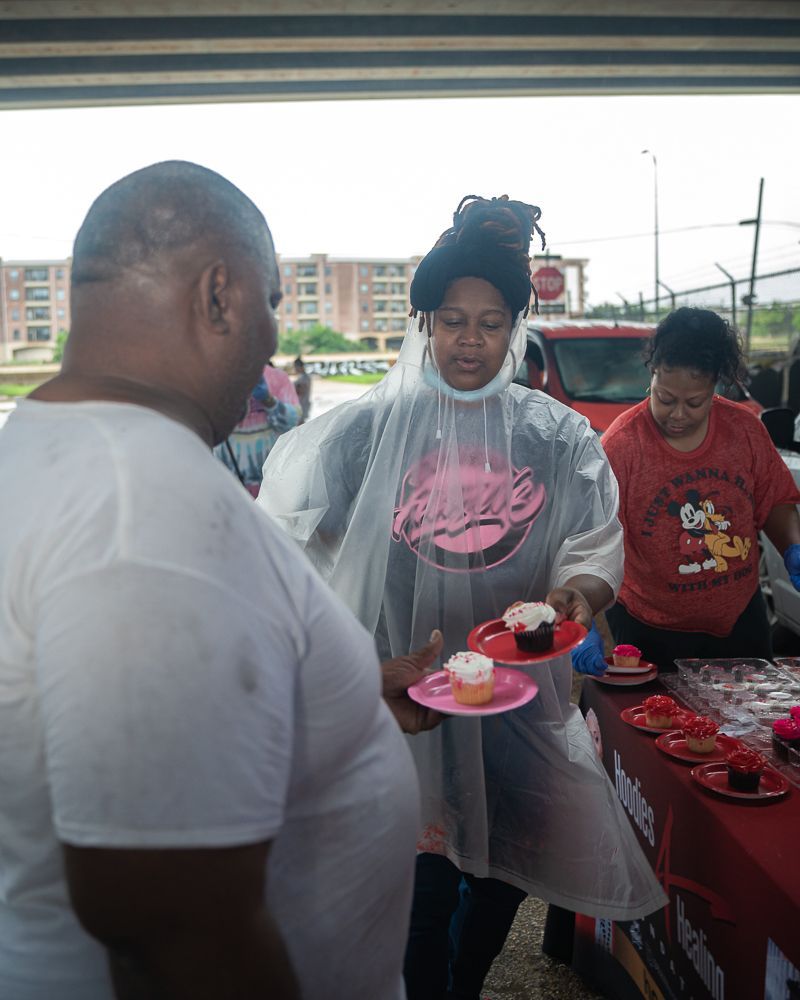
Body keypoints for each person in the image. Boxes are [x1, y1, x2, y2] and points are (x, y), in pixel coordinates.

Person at [0, 160, 442, 1000]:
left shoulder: (46, 446)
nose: (274, 338)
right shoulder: (144, 510)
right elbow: (170, 927)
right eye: (272, 301)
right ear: (219, 296)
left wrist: (333, 697)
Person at [259, 195, 666, 1000]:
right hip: (407, 704)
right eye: (451, 320)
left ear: (515, 328)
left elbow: (593, 542)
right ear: (425, 326)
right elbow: (291, 531)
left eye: (489, 321)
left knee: (502, 877)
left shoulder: (554, 437)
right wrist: (353, 603)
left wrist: (575, 595)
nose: (469, 339)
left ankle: (465, 983)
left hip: (518, 702)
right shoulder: (367, 432)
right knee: (421, 890)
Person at [602, 306, 800, 668]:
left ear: (716, 387)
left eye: (694, 402)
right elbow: (598, 539)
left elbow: (773, 501)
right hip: (651, 628)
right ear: (652, 374)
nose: (678, 414)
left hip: (741, 619)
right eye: (664, 398)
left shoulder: (744, 430)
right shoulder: (622, 445)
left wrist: (793, 548)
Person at [215, 361, 302, 496]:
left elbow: (292, 420)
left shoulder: (278, 378)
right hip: (228, 482)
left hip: (272, 482)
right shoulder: (213, 377)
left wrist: (268, 400)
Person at [293, 356, 312, 422]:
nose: (295, 369)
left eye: (295, 367)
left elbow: (301, 391)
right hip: (301, 405)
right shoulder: (303, 377)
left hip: (302, 405)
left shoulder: (304, 378)